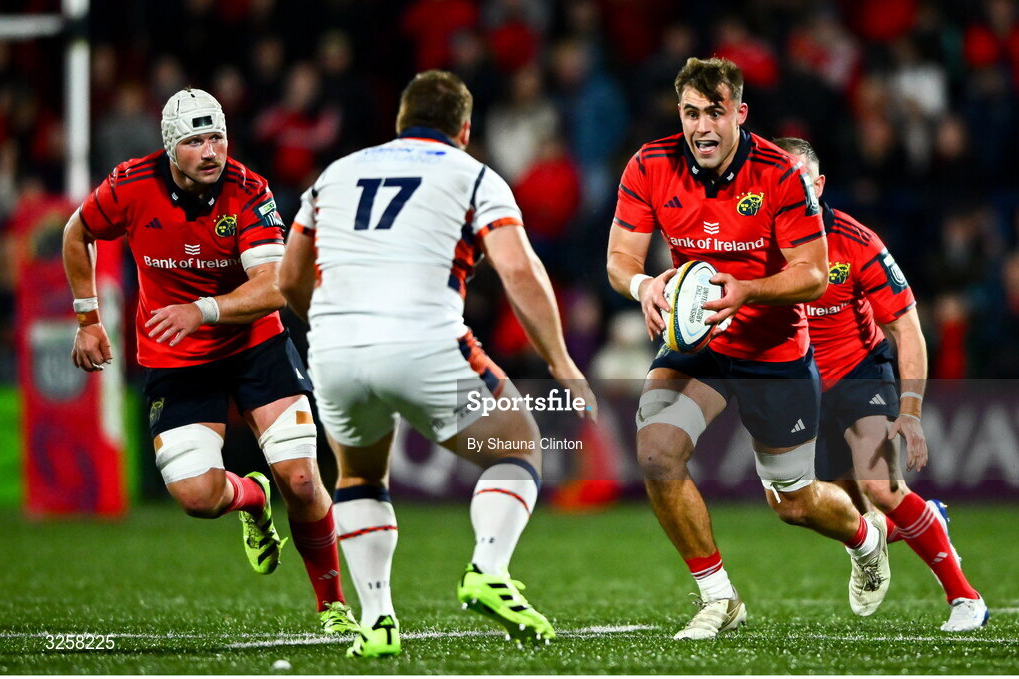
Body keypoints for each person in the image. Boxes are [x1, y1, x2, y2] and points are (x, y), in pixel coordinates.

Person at [279, 69, 595, 658]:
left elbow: (288, 277)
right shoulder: (474, 175)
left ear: (401, 122)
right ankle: (489, 570)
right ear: (466, 130)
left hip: (335, 347)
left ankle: (377, 621)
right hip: (422, 338)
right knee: (519, 443)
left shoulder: (336, 174)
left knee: (360, 476)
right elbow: (519, 270)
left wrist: (329, 325)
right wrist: (560, 362)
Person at [606, 57, 891, 640]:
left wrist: (749, 291)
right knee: (657, 450)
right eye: (691, 112)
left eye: (715, 111)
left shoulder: (780, 172)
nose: (702, 126)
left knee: (793, 501)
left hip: (772, 348)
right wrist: (645, 285)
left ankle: (866, 537)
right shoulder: (650, 164)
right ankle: (719, 598)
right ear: (678, 114)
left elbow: (813, 275)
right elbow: (619, 259)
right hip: (699, 340)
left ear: (740, 112)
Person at [62, 88, 357, 636]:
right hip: (175, 359)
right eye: (195, 140)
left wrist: (203, 310)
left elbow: (274, 288)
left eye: (217, 136)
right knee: (197, 498)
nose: (210, 150)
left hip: (254, 348)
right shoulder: (129, 185)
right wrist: (88, 319)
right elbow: (77, 233)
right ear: (171, 147)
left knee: (299, 476)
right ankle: (251, 497)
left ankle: (332, 607)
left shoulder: (250, 192)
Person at [773, 137, 988, 632]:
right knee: (797, 507)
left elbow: (906, 328)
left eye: (799, 181)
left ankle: (966, 599)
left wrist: (909, 413)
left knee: (880, 486)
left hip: (860, 374)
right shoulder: (758, 246)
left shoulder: (856, 241)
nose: (789, 193)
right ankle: (919, 522)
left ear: (819, 185)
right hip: (799, 384)